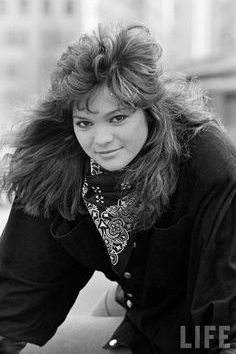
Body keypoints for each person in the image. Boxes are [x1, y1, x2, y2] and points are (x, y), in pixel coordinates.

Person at [0, 23, 236, 354]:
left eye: (117, 118)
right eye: (85, 122)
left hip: (197, 331)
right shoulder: (60, 161)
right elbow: (18, 292)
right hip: (137, 305)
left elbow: (225, 329)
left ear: (150, 111)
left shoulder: (210, 165)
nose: (101, 140)